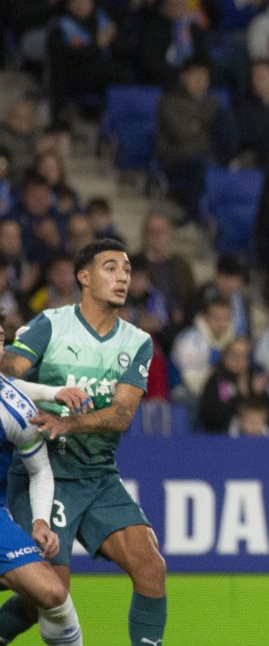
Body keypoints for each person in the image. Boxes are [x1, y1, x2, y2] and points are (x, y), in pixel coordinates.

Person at [0, 238, 166, 645]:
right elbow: (9, 369)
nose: (122, 277)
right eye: (111, 268)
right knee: (46, 595)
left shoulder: (137, 342)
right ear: (84, 277)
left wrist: (71, 423)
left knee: (151, 567)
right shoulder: (51, 325)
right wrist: (35, 379)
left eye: (126, 269)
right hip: (46, 470)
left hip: (98, 475)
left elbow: (123, 414)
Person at [0, 311, 88, 645]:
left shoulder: (13, 409)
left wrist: (40, 522)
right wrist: (52, 392)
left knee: (53, 594)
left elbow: (39, 471)